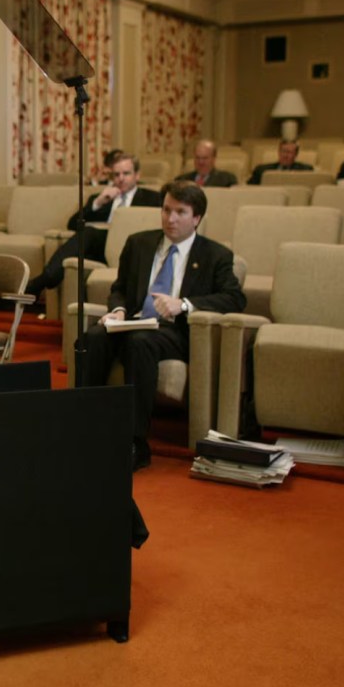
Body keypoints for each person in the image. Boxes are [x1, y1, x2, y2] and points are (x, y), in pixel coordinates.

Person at [79, 181, 245, 472]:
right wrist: (117, 310)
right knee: (93, 337)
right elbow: (120, 288)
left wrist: (184, 304)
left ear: (196, 218)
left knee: (140, 342)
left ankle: (135, 443)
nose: (171, 219)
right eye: (166, 210)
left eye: (180, 212)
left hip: (175, 331)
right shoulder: (139, 243)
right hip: (133, 321)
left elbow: (234, 298)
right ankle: (84, 429)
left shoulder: (215, 255)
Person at [25, 153, 162, 297]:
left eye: (126, 173)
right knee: (81, 247)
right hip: (101, 246)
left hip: (129, 243)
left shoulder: (152, 198)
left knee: (89, 234)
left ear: (137, 175)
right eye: (116, 174)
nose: (121, 178)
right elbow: (72, 224)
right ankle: (48, 280)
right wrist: (98, 203)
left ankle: (40, 282)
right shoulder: (101, 198)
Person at [247, 139, 312, 184]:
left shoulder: (305, 170)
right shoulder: (261, 170)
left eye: (289, 152)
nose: (285, 155)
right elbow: (249, 188)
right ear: (278, 152)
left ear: (295, 155)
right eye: (283, 151)